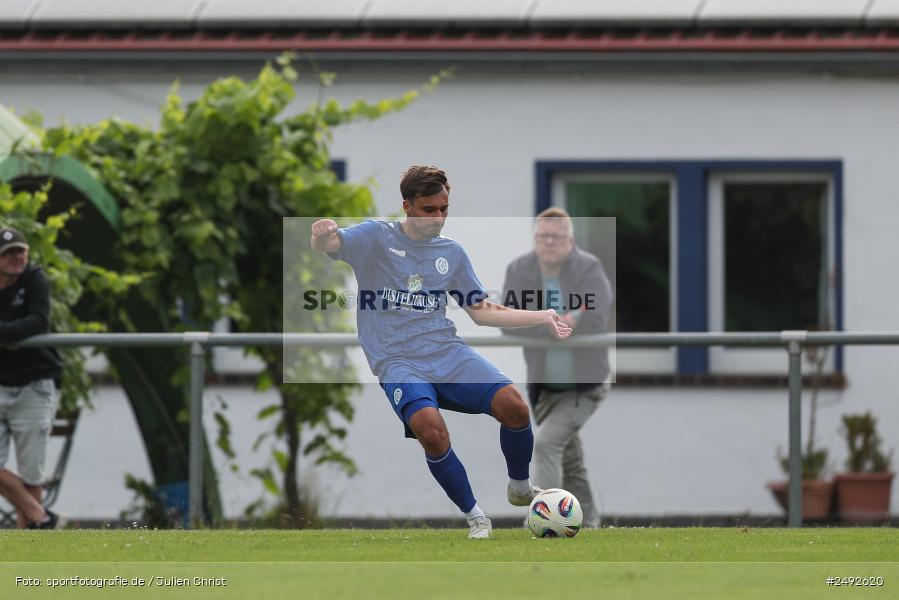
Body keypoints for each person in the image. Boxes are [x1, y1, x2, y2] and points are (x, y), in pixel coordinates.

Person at [310, 166, 571, 539]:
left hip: (446, 353)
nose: (438, 217)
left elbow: (481, 312)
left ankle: (519, 488)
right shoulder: (376, 237)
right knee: (431, 432)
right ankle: (476, 517)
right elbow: (332, 244)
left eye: (444, 209)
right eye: (429, 209)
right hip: (398, 362)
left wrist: (541, 316)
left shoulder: (451, 252)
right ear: (407, 206)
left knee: (515, 406)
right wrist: (321, 235)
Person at [501, 207, 613, 528]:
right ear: (535, 239)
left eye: (557, 237)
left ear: (570, 242)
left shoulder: (588, 268)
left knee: (547, 444)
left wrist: (567, 322)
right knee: (571, 458)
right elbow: (508, 319)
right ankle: (590, 523)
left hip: (585, 386)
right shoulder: (520, 270)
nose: (549, 242)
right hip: (544, 387)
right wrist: (549, 324)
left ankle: (542, 521)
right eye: (543, 236)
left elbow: (597, 315)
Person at [0, 227, 66, 529]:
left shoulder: (35, 278)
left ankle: (28, 545)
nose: (16, 257)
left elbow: (38, 322)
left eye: (20, 251)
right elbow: (24, 326)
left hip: (34, 385)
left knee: (31, 476)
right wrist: (12, 334)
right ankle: (41, 517)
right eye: (8, 253)